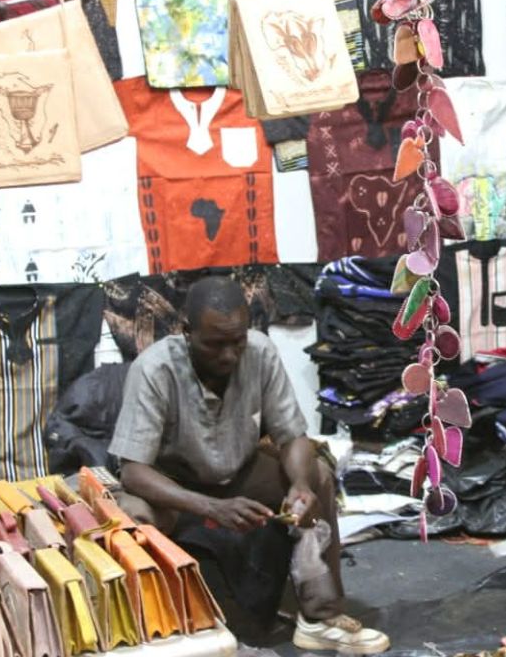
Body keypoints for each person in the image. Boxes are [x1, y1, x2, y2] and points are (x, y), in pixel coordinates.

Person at [108, 276, 390, 654]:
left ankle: (320, 616)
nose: (229, 355)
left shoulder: (260, 352)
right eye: (215, 344)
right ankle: (159, 633)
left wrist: (300, 486)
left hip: (237, 471)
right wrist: (210, 507)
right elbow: (133, 471)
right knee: (135, 518)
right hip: (173, 483)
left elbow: (292, 437)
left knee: (317, 476)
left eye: (237, 341)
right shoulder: (154, 369)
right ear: (187, 332)